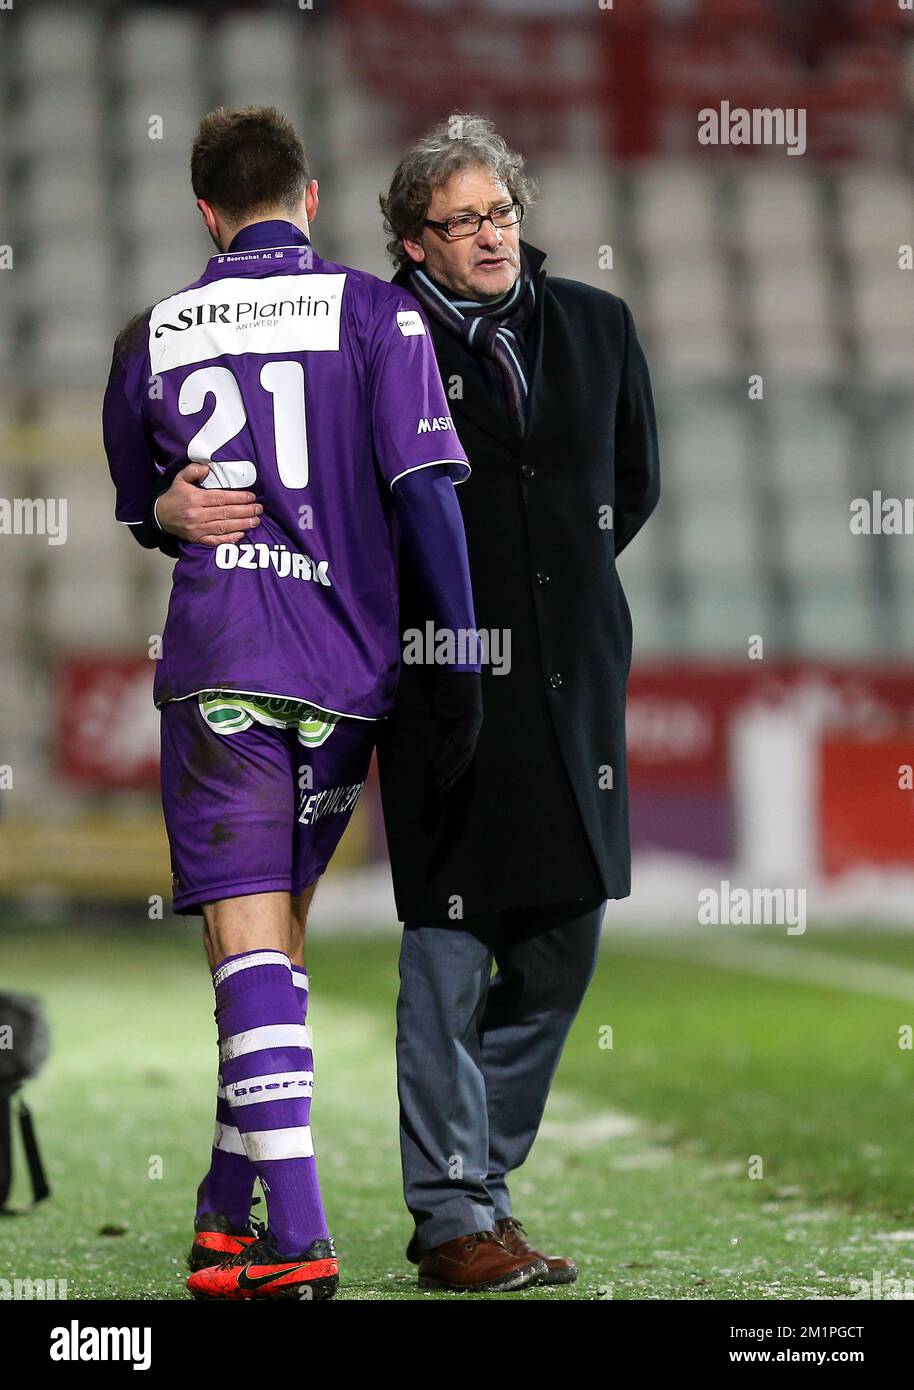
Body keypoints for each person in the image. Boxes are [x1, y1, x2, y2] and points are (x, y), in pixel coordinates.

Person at [101, 106, 501, 1300]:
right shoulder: (377, 314)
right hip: (344, 677)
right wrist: (461, 655)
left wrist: (164, 518)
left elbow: (144, 502)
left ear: (205, 213)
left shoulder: (152, 332)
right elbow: (429, 496)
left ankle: (300, 1240)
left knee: (244, 948)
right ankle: (229, 1209)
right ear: (310, 198)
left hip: (223, 658)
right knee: (271, 946)